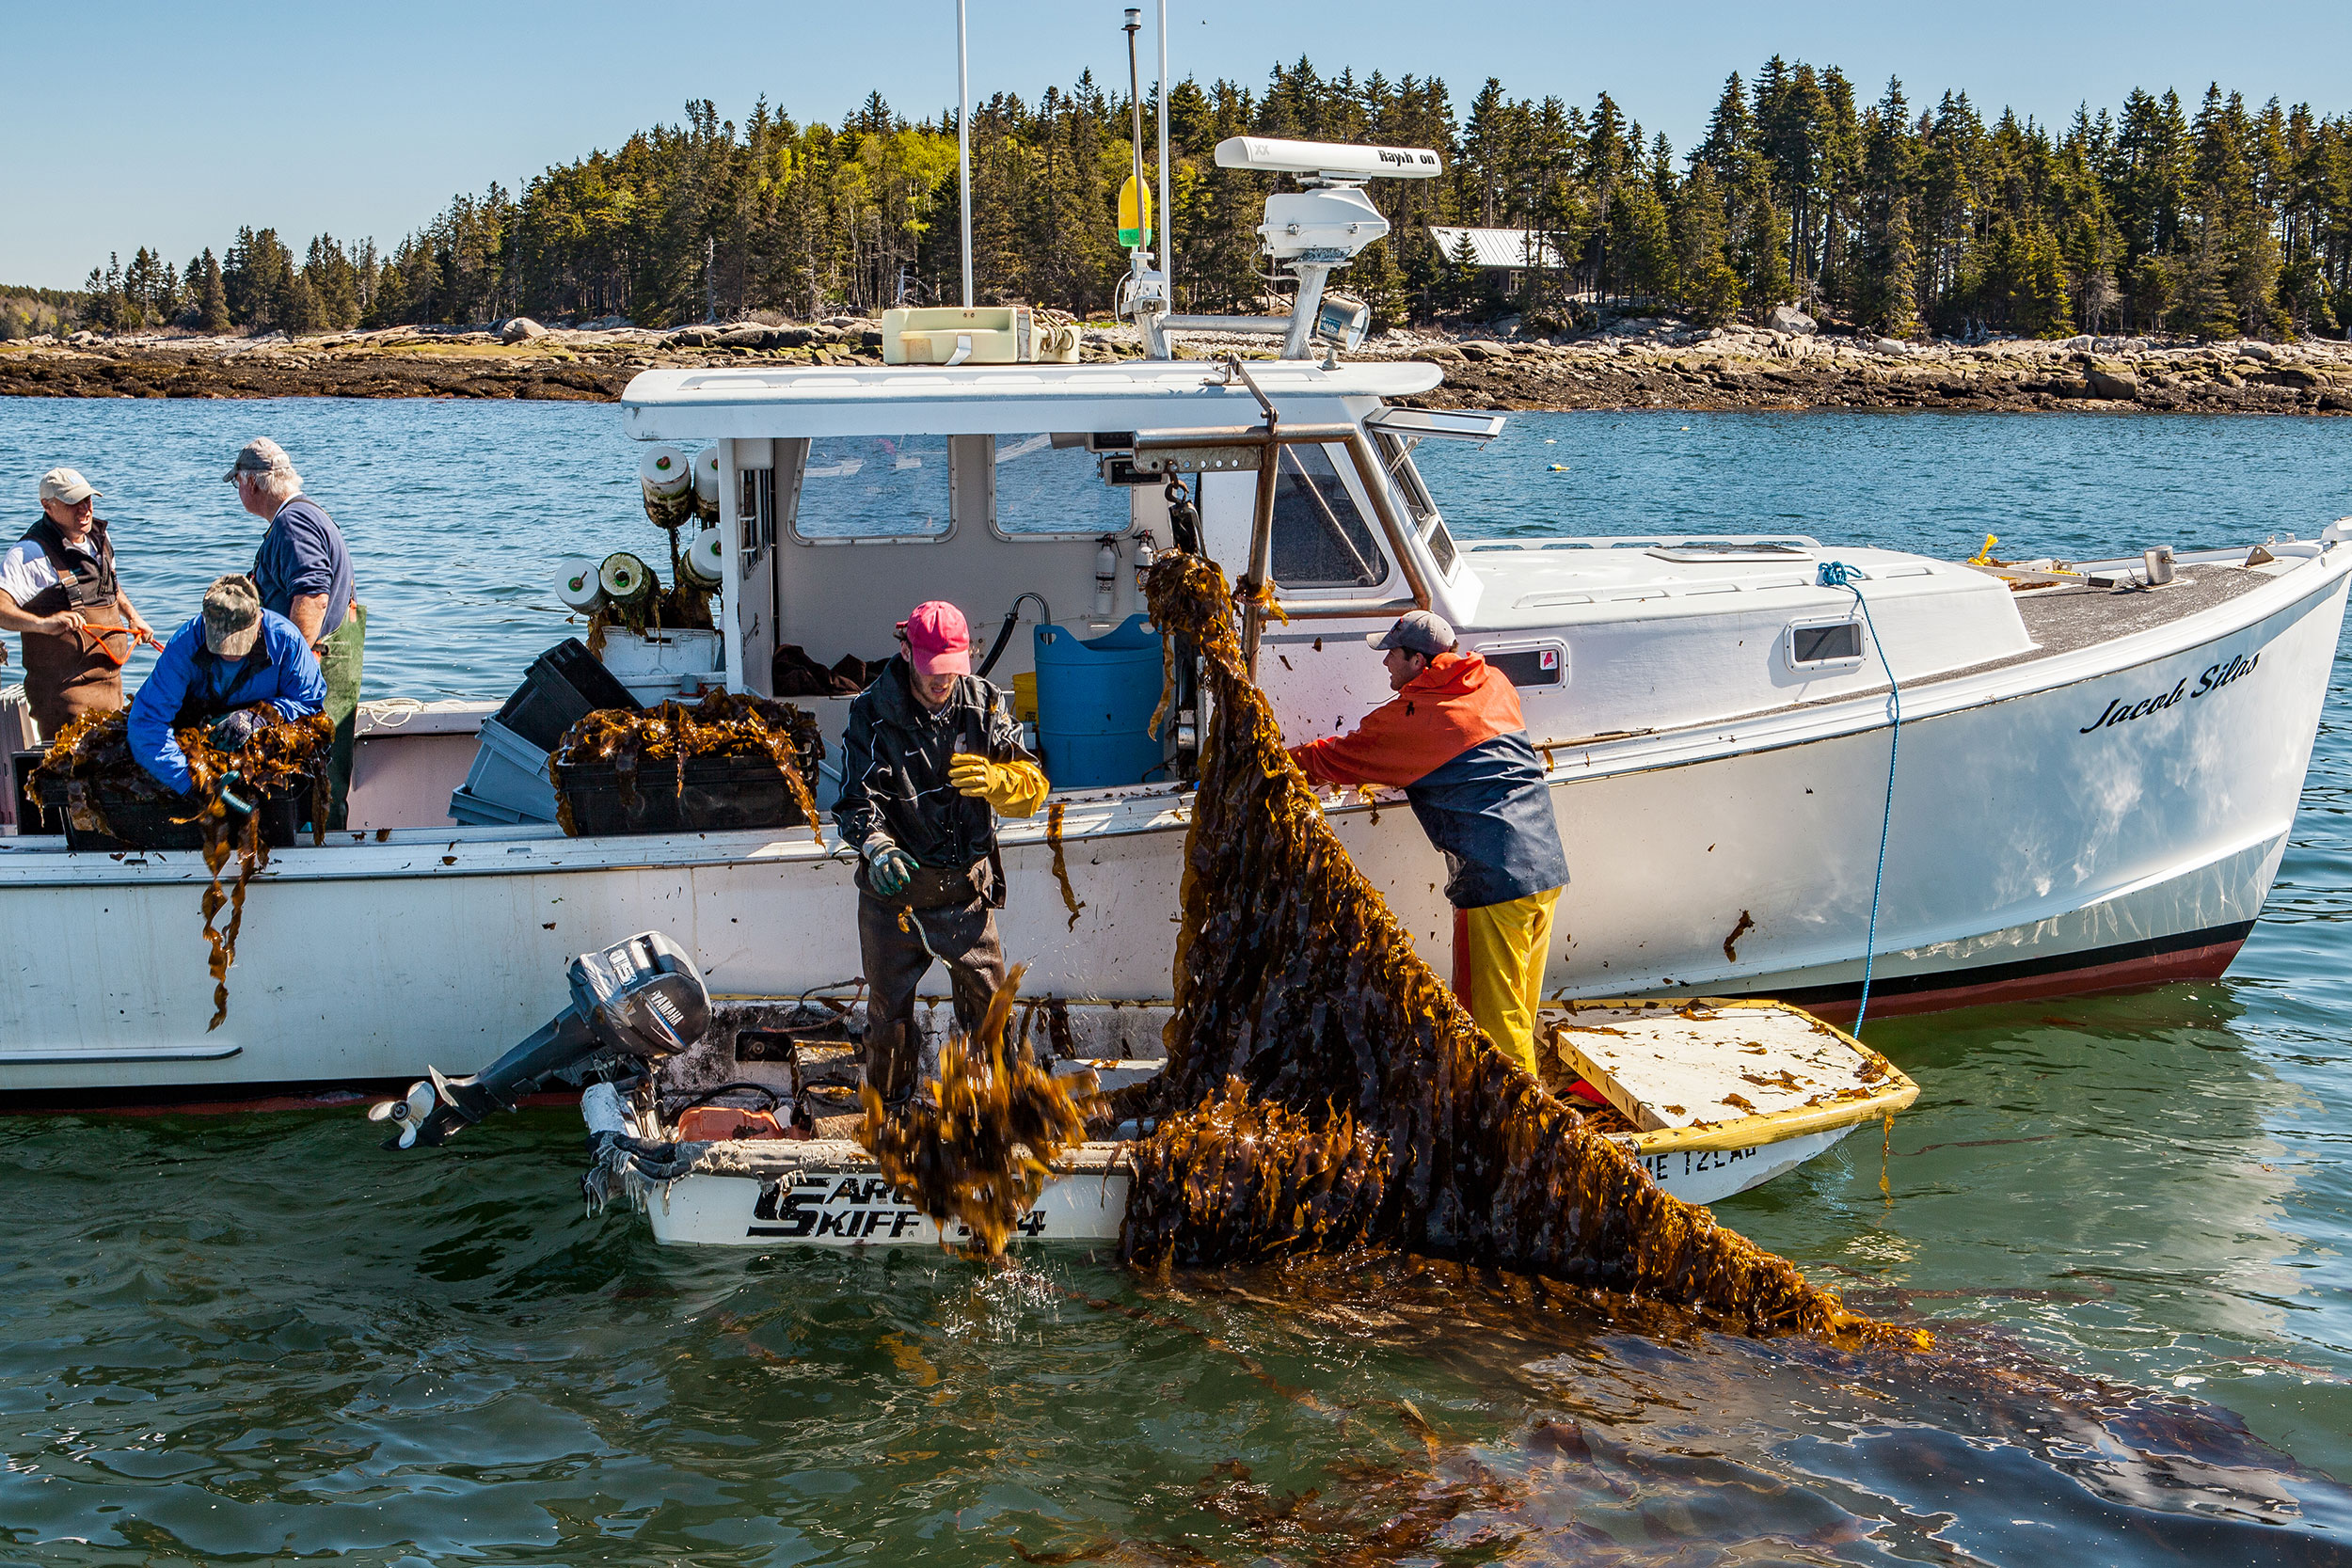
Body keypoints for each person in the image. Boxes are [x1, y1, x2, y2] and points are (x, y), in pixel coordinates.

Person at [1288, 610, 1570, 1077]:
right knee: (1517, 1012)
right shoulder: (1494, 682)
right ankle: (1522, 1114)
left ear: (1419, 661)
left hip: (1495, 884)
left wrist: (1267, 759)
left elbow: (1338, 758)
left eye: (1392, 656)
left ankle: (1519, 1134)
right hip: (1545, 870)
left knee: (1490, 1032)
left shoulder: (1416, 716)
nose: (1385, 666)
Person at [832, 600, 1050, 1108]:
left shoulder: (985, 705)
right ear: (906, 650)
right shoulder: (871, 711)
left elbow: (1034, 786)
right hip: (895, 898)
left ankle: (988, 1113)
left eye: (952, 671)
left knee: (993, 1010)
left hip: (964, 892)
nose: (941, 683)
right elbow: (853, 801)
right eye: (932, 672)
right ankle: (889, 1114)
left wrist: (1000, 782)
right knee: (888, 1018)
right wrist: (876, 847)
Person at [225, 437, 362, 824]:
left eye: (236, 483)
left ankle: (319, 859)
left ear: (251, 483)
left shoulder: (293, 522)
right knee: (320, 775)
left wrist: (292, 668)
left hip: (315, 671)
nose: (238, 492)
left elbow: (314, 595)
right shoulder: (306, 515)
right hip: (325, 667)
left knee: (316, 778)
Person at [129, 575, 326, 798]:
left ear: (258, 621)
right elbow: (146, 722)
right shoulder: (184, 646)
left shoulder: (285, 640)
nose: (229, 653)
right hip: (197, 735)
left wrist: (260, 716)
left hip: (262, 751)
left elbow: (309, 702)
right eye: (220, 642)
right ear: (205, 622)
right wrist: (193, 783)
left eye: (239, 641)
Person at [0, 468, 159, 737]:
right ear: (47, 506)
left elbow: (112, 589)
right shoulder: (29, 553)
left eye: (87, 499)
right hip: (64, 702)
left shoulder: (100, 539)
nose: (84, 509)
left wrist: (134, 617)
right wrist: (44, 624)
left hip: (112, 691)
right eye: (73, 502)